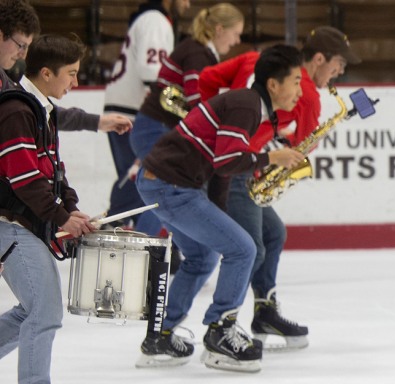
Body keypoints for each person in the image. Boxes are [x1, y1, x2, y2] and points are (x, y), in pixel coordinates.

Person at [134, 44, 306, 373]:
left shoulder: (249, 104)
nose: (300, 90)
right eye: (296, 81)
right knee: (243, 249)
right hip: (172, 185)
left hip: (162, 182)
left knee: (202, 258)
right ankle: (220, 332)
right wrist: (272, 157)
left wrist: (219, 214)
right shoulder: (247, 105)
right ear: (273, 84)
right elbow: (228, 161)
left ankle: (160, 336)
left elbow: (222, 170)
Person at [198, 26, 360, 350]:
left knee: (274, 234)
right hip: (239, 170)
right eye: (338, 64)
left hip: (223, 159)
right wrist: (282, 142)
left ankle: (265, 311)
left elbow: (206, 79)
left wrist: (217, 122)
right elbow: (299, 152)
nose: (339, 72)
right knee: (251, 248)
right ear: (317, 59)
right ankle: (222, 323)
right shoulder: (310, 95)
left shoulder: (253, 60)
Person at [0, 34, 99, 384]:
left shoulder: (43, 111)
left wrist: (70, 208)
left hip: (21, 223)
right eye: (71, 74)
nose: (74, 82)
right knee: (44, 309)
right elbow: (22, 178)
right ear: (46, 73)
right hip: (8, 223)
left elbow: (51, 172)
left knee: (33, 311)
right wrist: (60, 216)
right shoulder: (15, 111)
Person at [128, 3, 244, 238]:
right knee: (161, 196)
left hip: (155, 128)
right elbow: (199, 104)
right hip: (155, 128)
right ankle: (143, 258)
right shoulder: (197, 53)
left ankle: (178, 255)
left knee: (167, 196)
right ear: (220, 29)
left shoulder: (201, 52)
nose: (236, 42)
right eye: (236, 34)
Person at [103, 0, 190, 225]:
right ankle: (114, 232)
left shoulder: (149, 18)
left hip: (126, 108)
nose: (188, 4)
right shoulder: (156, 20)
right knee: (146, 180)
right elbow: (152, 73)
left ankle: (120, 234)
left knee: (139, 182)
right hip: (135, 114)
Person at [1, 0, 132, 134]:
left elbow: (46, 112)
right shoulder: (17, 102)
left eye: (27, 47)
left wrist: (96, 121)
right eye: (21, 45)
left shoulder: (11, 88)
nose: (23, 55)